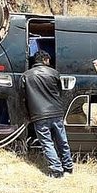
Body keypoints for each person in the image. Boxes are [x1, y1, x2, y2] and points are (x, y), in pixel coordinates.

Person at [21, 50, 73, 178]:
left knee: (47, 143)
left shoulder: (26, 76)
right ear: (45, 60)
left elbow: (23, 98)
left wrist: (27, 114)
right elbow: (60, 92)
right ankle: (68, 167)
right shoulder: (54, 73)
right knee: (62, 141)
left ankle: (56, 170)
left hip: (38, 115)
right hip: (56, 113)